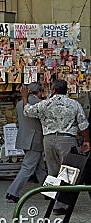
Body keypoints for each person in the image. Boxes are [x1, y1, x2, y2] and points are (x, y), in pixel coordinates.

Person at [22, 79, 90, 215]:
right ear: (67, 90)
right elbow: (83, 125)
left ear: (53, 90)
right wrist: (87, 141)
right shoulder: (74, 104)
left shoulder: (45, 103)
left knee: (52, 172)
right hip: (67, 139)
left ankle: (53, 202)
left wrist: (25, 98)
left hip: (48, 140)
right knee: (68, 173)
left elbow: (27, 111)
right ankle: (61, 205)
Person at [6, 83, 47, 203]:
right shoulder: (40, 104)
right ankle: (12, 193)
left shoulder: (19, 104)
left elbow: (18, 123)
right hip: (36, 139)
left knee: (39, 168)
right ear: (38, 92)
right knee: (27, 167)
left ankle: (48, 191)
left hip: (24, 139)